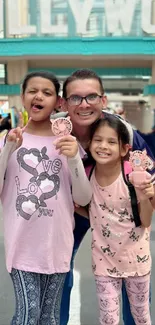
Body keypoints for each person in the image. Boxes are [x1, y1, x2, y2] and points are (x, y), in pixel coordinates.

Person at [52, 69, 155, 325]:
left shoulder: (123, 133)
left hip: (119, 213)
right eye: (75, 98)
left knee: (134, 287)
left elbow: (148, 175)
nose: (84, 104)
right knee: (60, 269)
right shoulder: (55, 133)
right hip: (73, 212)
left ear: (104, 100)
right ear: (64, 103)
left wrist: (146, 196)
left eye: (91, 97)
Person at [0, 71, 92, 325]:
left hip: (57, 245)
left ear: (58, 103)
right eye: (32, 91)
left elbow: (83, 197)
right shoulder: (7, 141)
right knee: (28, 316)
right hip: (22, 246)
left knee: (49, 317)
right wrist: (8, 149)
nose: (38, 96)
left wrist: (73, 157)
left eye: (47, 92)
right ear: (22, 97)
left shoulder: (67, 143)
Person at [86, 114, 153, 325]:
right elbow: (85, 207)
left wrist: (143, 196)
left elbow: (146, 221)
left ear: (124, 149)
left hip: (137, 260)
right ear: (89, 143)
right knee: (108, 319)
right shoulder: (86, 175)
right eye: (98, 140)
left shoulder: (133, 176)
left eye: (111, 141)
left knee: (141, 316)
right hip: (104, 262)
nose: (103, 146)